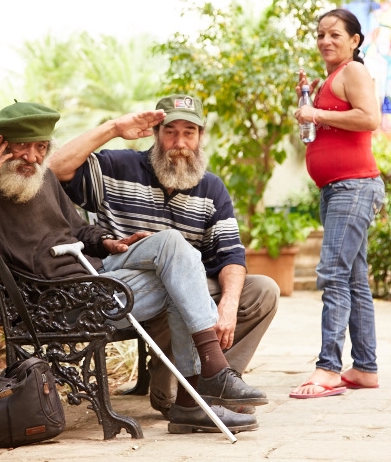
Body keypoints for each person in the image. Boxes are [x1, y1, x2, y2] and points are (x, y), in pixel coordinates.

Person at [0, 101, 268, 433]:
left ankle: (206, 384)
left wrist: (106, 242)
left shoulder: (41, 180)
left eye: (41, 147)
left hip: (93, 276)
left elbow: (75, 229)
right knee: (181, 280)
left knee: (172, 243)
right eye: (22, 147)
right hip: (58, 301)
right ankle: (197, 396)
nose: (32, 157)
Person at [48, 94, 279, 416]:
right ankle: (195, 383)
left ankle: (214, 383)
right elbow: (52, 169)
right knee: (171, 245)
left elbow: (230, 255)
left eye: (189, 132)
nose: (179, 142)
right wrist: (114, 127)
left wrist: (227, 305)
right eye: (170, 131)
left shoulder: (211, 189)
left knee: (262, 290)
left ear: (201, 137)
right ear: (156, 134)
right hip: (126, 285)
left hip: (184, 298)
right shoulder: (117, 166)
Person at [290, 8, 386, 399]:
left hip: (354, 186)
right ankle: (364, 368)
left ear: (354, 40)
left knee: (331, 273)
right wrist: (308, 101)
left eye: (334, 34)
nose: (325, 41)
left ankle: (328, 368)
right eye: (320, 35)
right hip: (336, 188)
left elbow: (369, 118)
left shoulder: (354, 72)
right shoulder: (332, 78)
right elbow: (324, 130)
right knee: (352, 280)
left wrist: (313, 110)